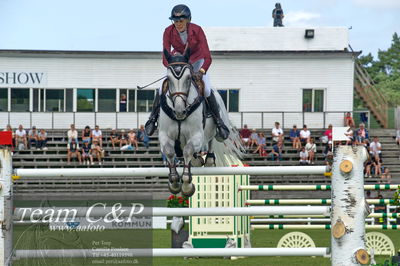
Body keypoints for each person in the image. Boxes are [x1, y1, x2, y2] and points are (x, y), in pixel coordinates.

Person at [145, 4, 229, 141]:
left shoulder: (197, 30)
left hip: (198, 61)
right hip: (178, 63)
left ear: (188, 20)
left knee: (207, 89)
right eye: (175, 21)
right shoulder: (168, 31)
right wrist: (174, 68)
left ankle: (219, 122)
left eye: (181, 21)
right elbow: (165, 57)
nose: (178, 24)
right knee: (161, 88)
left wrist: (201, 72)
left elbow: (208, 56)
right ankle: (152, 118)